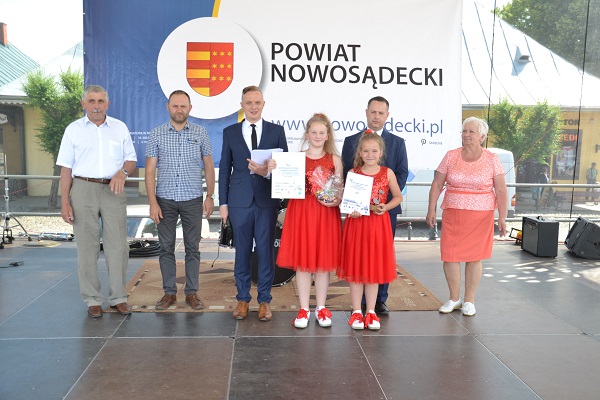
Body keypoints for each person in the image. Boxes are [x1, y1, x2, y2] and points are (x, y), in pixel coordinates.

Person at [57, 85, 137, 318]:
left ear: (107, 104)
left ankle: (118, 297)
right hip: (82, 188)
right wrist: (65, 202)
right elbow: (66, 168)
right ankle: (92, 299)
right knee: (87, 247)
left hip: (114, 189)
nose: (96, 106)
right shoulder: (73, 130)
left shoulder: (119, 128)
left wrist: (122, 172)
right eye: (91, 101)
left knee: (118, 246)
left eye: (101, 101)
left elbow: (131, 160)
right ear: (83, 104)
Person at [219, 85, 288, 321]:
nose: (253, 107)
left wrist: (266, 172)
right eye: (249, 103)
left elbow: (285, 168)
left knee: (266, 252)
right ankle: (242, 299)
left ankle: (265, 301)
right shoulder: (230, 132)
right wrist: (223, 203)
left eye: (257, 102)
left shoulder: (276, 131)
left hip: (267, 200)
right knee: (242, 252)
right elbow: (224, 169)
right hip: (239, 202)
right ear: (242, 105)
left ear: (263, 104)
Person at [426, 117, 507, 317]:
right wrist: (431, 209)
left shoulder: (492, 159)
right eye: (464, 131)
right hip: (453, 213)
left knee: (474, 257)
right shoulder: (451, 156)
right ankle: (454, 299)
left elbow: (501, 189)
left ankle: (469, 300)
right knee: (450, 255)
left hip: (481, 216)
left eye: (471, 131)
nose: (467, 135)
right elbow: (437, 184)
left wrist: (502, 217)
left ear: (482, 137)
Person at [267, 113, 343, 329]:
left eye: (321, 132)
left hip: (325, 214)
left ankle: (321, 307)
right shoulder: (295, 158)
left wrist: (336, 199)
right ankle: (303, 308)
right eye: (314, 132)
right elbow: (284, 182)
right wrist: (274, 169)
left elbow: (339, 188)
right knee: (302, 262)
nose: (317, 136)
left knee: (322, 263)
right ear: (307, 134)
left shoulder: (335, 159)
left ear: (327, 135)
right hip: (301, 211)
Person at [145, 90, 215, 311]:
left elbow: (209, 166)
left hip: (192, 199)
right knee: (165, 248)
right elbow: (149, 171)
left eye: (183, 106)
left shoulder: (200, 132)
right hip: (164, 200)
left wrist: (210, 196)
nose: (179, 110)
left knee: (192, 248)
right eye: (175, 106)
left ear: (190, 108)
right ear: (168, 107)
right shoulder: (156, 134)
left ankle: (191, 293)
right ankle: (169, 293)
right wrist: (152, 202)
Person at [341, 96, 408, 315]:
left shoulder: (397, 142)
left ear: (387, 115)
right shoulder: (351, 141)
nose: (376, 116)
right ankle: (359, 304)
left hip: (384, 212)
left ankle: (379, 300)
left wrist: (383, 202)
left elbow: (401, 174)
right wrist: (353, 203)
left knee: (380, 256)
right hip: (357, 215)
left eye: (381, 113)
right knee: (359, 256)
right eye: (373, 112)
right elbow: (345, 176)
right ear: (366, 112)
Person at [338, 133, 403, 330]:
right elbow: (347, 200)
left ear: (381, 152)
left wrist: (386, 207)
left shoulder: (387, 173)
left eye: (374, 151)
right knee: (356, 267)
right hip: (357, 225)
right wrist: (352, 209)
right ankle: (357, 311)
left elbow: (398, 196)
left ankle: (371, 311)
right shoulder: (353, 173)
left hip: (378, 225)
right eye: (366, 151)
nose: (370, 154)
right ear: (359, 152)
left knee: (373, 268)